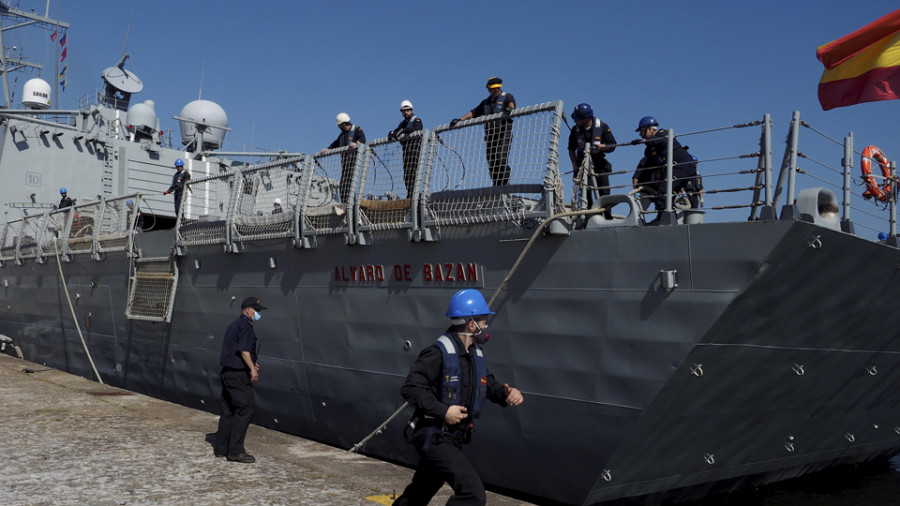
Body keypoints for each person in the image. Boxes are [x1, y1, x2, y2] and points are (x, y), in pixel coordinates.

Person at [392, 289, 524, 506]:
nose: (486, 327)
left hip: (453, 438)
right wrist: (443, 411)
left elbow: (488, 384)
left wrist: (507, 394)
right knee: (472, 494)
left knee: (418, 494)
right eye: (484, 322)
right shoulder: (437, 353)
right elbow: (411, 387)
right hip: (434, 435)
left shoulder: (474, 354)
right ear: (472, 325)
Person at [214, 296, 268, 464]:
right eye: (256, 310)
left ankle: (222, 448)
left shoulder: (233, 326)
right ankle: (236, 451)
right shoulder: (245, 326)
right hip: (238, 375)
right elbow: (244, 350)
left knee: (228, 410)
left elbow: (236, 352)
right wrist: (252, 369)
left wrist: (251, 364)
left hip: (227, 373)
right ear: (247, 310)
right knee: (246, 408)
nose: (258, 314)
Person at [450, 77, 516, 186]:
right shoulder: (485, 102)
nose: (493, 91)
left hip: (503, 133)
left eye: (495, 89)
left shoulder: (507, 97)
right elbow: (474, 112)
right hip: (490, 135)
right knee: (491, 161)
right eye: (491, 89)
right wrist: (460, 119)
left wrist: (508, 110)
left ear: (498, 89)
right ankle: (496, 185)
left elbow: (511, 105)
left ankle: (504, 183)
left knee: (500, 157)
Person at [635, 116, 702, 213]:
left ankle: (665, 221)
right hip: (679, 167)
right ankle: (663, 218)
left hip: (682, 165)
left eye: (641, 132)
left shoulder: (664, 134)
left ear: (649, 129)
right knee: (667, 197)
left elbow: (661, 140)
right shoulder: (651, 148)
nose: (640, 135)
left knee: (663, 194)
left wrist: (645, 141)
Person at [567, 103, 617, 214]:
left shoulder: (602, 126)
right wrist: (575, 165)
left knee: (604, 194)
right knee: (585, 195)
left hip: (599, 165)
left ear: (585, 119)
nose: (575, 121)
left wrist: (604, 147)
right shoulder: (575, 130)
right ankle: (587, 219)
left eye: (577, 119)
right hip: (583, 168)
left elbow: (613, 145)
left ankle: (607, 218)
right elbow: (571, 149)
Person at [320, 113, 366, 203]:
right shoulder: (342, 135)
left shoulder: (356, 130)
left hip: (353, 160)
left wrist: (356, 143)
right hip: (345, 162)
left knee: (349, 183)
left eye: (339, 125)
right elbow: (336, 143)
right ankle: (346, 203)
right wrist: (328, 149)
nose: (338, 127)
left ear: (343, 124)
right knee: (344, 184)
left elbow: (363, 139)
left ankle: (351, 204)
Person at [389, 100, 424, 197]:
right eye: (403, 111)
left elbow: (417, 128)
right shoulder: (402, 123)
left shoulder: (416, 120)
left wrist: (404, 131)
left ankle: (414, 194)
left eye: (407, 110)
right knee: (407, 174)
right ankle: (409, 193)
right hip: (406, 151)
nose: (405, 112)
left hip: (414, 149)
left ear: (411, 110)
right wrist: (392, 133)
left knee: (413, 172)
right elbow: (396, 131)